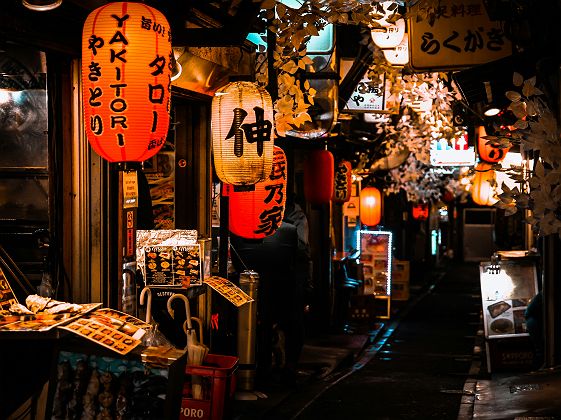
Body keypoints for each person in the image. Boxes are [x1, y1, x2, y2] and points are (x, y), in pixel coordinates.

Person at [230, 215, 310, 385]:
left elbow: (236, 264)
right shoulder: (290, 227)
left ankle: (261, 368)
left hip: (249, 289)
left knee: (258, 328)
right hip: (284, 288)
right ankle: (289, 367)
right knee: (293, 326)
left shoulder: (237, 231)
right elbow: (300, 257)